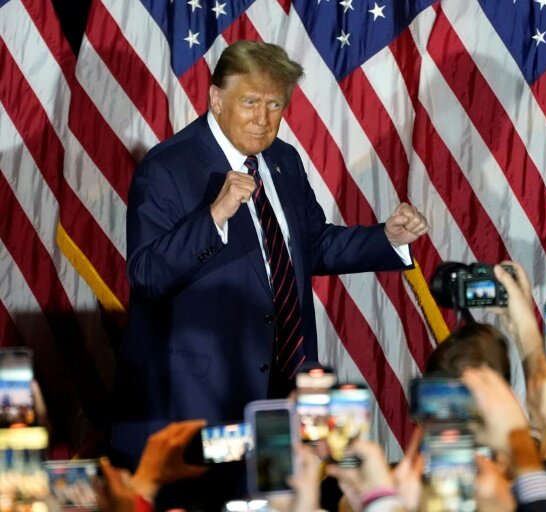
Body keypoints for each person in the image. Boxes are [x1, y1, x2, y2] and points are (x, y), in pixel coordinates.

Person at [110, 40, 428, 507]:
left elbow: (312, 246)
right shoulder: (167, 167)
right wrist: (214, 215)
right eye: (250, 102)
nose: (263, 118)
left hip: (280, 396)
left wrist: (387, 237)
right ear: (216, 98)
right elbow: (146, 275)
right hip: (197, 407)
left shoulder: (283, 160)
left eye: (275, 104)